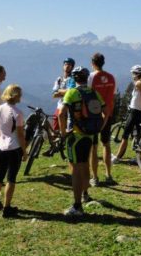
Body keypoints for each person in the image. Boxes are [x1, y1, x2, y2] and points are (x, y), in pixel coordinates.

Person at [59, 66, 106, 217]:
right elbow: (105, 112)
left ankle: (77, 206)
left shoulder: (72, 92)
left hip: (76, 136)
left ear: (74, 78)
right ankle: (85, 194)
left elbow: (61, 113)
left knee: (75, 170)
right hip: (90, 135)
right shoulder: (94, 92)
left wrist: (63, 132)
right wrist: (99, 127)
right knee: (85, 164)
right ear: (87, 78)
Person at [0, 84, 27, 218]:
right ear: (16, 96)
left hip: (2, 146)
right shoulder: (18, 113)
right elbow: (20, 135)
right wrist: (25, 151)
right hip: (14, 148)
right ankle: (7, 208)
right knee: (11, 178)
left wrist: (0, 140)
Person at [88, 52, 116, 186]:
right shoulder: (111, 77)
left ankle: (95, 177)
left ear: (92, 63)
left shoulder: (91, 77)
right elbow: (112, 96)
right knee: (106, 144)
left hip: (94, 115)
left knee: (94, 146)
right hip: (108, 114)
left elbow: (86, 95)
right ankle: (109, 175)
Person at [112, 65, 141, 164]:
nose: (132, 75)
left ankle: (117, 158)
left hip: (134, 112)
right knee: (137, 136)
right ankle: (138, 158)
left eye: (133, 73)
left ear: (137, 73)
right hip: (139, 112)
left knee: (125, 135)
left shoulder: (138, 83)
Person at [52, 58, 76, 132]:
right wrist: (65, 92)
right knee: (55, 129)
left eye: (69, 65)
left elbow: (70, 91)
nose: (67, 66)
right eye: (65, 64)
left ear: (72, 67)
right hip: (59, 106)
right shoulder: (59, 79)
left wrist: (59, 91)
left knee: (68, 130)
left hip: (70, 107)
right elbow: (54, 94)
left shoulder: (73, 79)